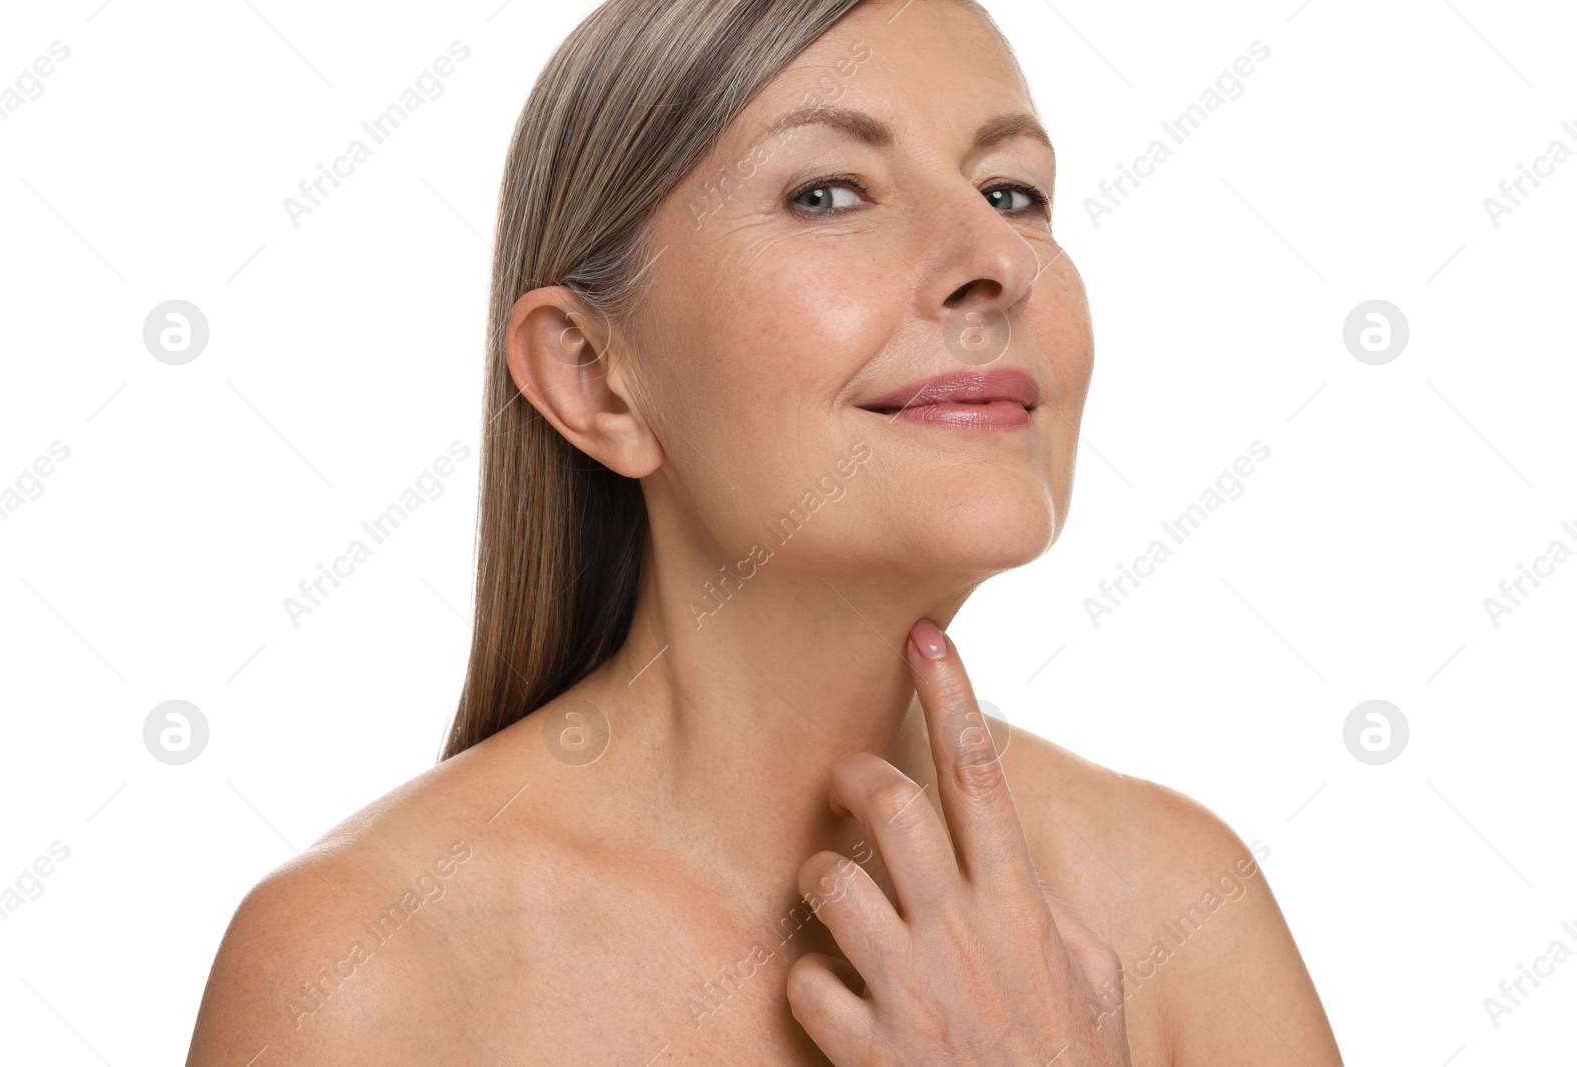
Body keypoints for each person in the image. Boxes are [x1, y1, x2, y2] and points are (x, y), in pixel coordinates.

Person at [186, 1, 1343, 1062]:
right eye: (827, 193)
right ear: (595, 377)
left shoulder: (1185, 902)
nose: (995, 261)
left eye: (1010, 192)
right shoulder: (363, 972)